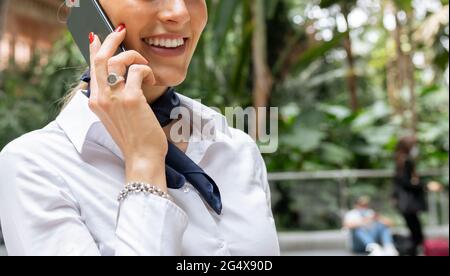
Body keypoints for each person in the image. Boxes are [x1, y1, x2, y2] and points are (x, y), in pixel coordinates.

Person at [0, 0, 280, 256]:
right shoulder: (34, 167)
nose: (180, 12)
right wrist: (144, 161)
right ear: (85, 6)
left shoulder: (236, 147)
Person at [393, 136, 427, 256]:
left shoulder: (400, 161)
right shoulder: (405, 162)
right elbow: (406, 183)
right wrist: (423, 185)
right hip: (409, 204)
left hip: (405, 204)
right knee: (417, 234)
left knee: (415, 233)